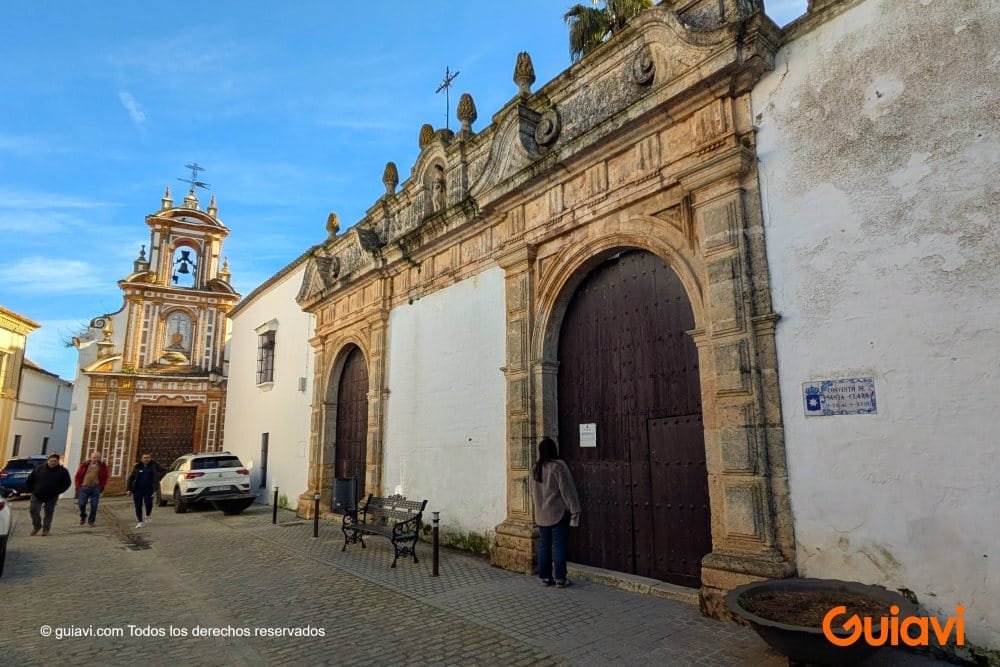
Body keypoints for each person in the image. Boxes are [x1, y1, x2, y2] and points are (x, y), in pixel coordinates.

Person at [528, 437, 581, 588]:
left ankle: (545, 578)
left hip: (541, 515)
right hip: (557, 514)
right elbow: (567, 490)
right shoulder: (558, 466)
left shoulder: (535, 468)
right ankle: (560, 579)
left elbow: (532, 492)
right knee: (558, 546)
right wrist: (574, 509)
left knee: (544, 546)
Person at [25, 453, 72, 536]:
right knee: (33, 511)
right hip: (37, 494)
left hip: (52, 496)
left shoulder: (63, 471)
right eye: (51, 461)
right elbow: (30, 479)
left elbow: (67, 483)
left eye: (55, 461)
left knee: (49, 513)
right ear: (47, 461)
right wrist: (30, 489)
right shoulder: (39, 468)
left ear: (58, 462)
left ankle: (46, 530)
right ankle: (37, 526)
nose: (53, 462)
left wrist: (59, 491)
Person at [125, 454, 161, 528]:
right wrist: (128, 489)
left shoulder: (154, 465)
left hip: (149, 489)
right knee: (138, 505)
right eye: (145, 458)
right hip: (137, 489)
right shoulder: (137, 466)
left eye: (148, 458)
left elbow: (163, 471)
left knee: (149, 504)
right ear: (141, 459)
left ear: (150, 458)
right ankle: (139, 521)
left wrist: (158, 477)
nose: (146, 459)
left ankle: (147, 515)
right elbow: (131, 478)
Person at [74, 451, 108, 527]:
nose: (95, 459)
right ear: (91, 457)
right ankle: (83, 515)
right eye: (94, 457)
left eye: (97, 457)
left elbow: (105, 477)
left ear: (99, 458)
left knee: (94, 505)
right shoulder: (84, 465)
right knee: (81, 504)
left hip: (95, 488)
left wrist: (101, 486)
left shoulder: (102, 466)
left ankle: (91, 521)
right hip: (84, 488)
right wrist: (78, 487)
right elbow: (77, 476)